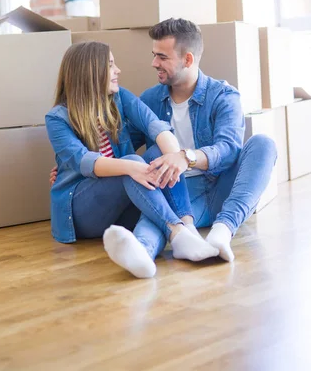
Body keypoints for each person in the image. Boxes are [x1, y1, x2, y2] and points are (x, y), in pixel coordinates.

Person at [45, 41, 219, 280]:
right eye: (110, 65)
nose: (118, 71)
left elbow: (156, 127)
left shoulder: (119, 98)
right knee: (132, 162)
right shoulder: (57, 118)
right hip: (81, 211)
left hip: (125, 198)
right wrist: (132, 166)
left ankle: (179, 233)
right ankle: (176, 231)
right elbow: (85, 162)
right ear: (91, 72)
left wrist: (176, 158)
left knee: (160, 154)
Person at [128, 18, 278, 263]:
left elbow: (229, 149)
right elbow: (124, 145)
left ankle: (223, 231)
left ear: (187, 59)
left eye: (162, 57)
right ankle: (140, 255)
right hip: (182, 195)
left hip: (226, 188)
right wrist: (77, 161)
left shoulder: (223, 95)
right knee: (155, 209)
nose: (154, 63)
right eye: (154, 55)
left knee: (263, 144)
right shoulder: (149, 100)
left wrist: (185, 157)